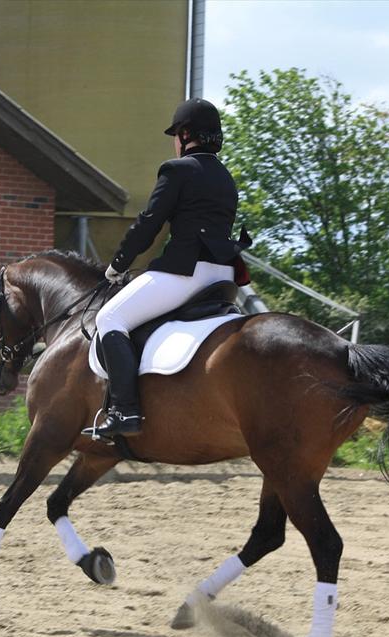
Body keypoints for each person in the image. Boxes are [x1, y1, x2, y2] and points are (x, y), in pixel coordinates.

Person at [85, 97, 251, 439]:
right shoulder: (226, 178)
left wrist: (118, 264)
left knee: (109, 319)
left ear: (186, 135)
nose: (175, 142)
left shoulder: (177, 170)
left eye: (176, 134)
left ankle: (125, 411)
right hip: (223, 276)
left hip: (185, 273)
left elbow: (150, 223)